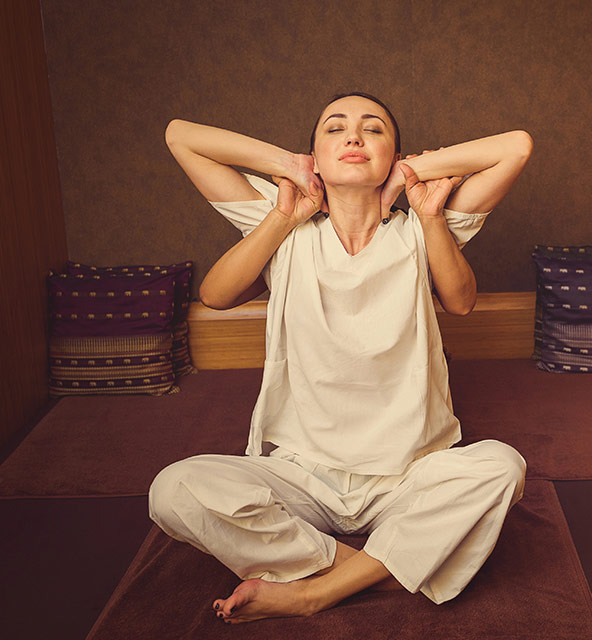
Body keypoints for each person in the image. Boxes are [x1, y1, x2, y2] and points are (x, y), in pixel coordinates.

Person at [149, 92, 533, 624]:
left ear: (394, 156)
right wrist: (289, 176)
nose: (354, 137)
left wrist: (410, 179)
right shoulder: (283, 222)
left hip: (409, 472)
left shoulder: (423, 225)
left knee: (502, 468)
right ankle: (375, 566)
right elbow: (181, 138)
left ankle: (313, 593)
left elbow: (515, 148)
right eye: (335, 128)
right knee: (174, 490)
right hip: (301, 473)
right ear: (314, 155)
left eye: (373, 129)